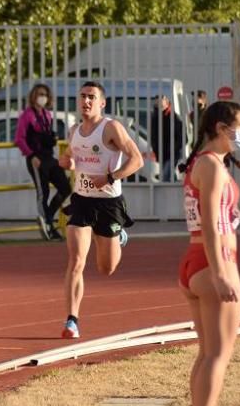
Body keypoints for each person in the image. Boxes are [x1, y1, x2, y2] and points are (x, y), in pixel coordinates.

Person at [176, 100, 240, 406]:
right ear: (222, 128)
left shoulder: (201, 163)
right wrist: (221, 273)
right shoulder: (213, 167)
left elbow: (214, 217)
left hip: (195, 263)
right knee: (218, 355)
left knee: (207, 354)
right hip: (212, 263)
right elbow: (209, 225)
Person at [57, 81, 144, 339]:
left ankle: (118, 236)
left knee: (106, 268)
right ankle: (72, 320)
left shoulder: (111, 128)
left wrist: (111, 177)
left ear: (102, 103)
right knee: (76, 261)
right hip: (82, 200)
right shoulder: (73, 131)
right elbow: (75, 161)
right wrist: (69, 163)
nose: (86, 101)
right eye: (82, 96)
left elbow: (137, 160)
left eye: (91, 97)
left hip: (108, 203)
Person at [14, 82, 70, 241]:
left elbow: (46, 137)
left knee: (66, 188)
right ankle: (49, 227)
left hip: (49, 157)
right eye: (39, 94)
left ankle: (47, 218)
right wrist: (31, 156)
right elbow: (19, 139)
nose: (42, 97)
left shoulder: (47, 115)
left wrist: (52, 139)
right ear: (33, 96)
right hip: (36, 159)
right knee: (43, 193)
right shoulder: (26, 115)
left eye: (44, 94)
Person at [150, 94, 185, 182]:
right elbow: (154, 135)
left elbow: (184, 137)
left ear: (167, 101)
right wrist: (155, 148)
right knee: (169, 177)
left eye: (162, 99)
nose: (158, 102)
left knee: (165, 177)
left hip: (173, 154)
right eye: (157, 100)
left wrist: (174, 148)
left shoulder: (174, 117)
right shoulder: (155, 117)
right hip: (162, 154)